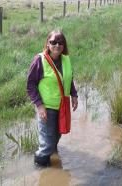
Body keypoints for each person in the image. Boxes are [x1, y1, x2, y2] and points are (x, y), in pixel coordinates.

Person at [27, 30, 78, 167]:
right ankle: (40, 169)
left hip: (62, 106)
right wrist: (39, 105)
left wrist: (74, 94)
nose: (57, 45)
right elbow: (30, 84)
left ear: (64, 45)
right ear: (47, 44)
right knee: (47, 144)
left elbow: (68, 78)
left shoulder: (66, 59)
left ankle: (53, 161)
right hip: (47, 108)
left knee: (56, 136)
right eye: (53, 42)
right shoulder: (39, 60)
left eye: (60, 42)